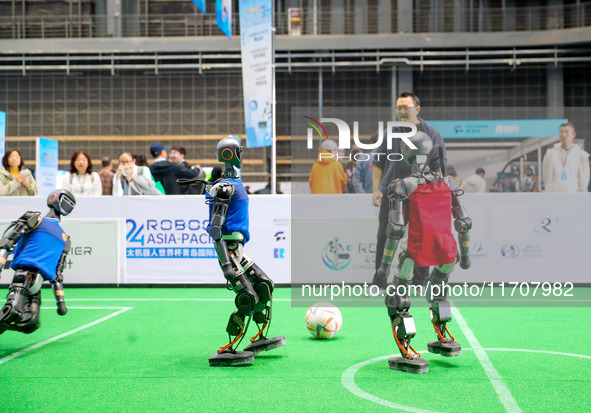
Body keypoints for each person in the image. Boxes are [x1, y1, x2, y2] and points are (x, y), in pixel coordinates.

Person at [375, 134, 471, 374]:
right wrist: (466, 256)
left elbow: (395, 230)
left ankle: (408, 351)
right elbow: (465, 223)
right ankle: (445, 339)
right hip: (448, 253)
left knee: (399, 298)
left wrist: (384, 268)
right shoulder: (449, 182)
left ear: (406, 154)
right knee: (438, 291)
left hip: (416, 251)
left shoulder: (404, 184)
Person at [202, 136, 285, 367]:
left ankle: (259, 337)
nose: (242, 154)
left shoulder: (233, 183)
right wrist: (226, 264)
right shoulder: (224, 187)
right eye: (239, 151)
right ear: (231, 153)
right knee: (247, 297)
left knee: (264, 284)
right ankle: (229, 347)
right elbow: (216, 229)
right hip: (228, 250)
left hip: (237, 250)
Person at [371, 92, 447, 289]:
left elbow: (439, 165)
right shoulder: (389, 134)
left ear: (417, 109)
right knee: (385, 235)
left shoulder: (431, 133)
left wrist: (441, 191)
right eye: (399, 107)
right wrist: (375, 190)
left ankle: (420, 281)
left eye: (406, 107)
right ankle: (379, 282)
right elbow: (378, 164)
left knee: (421, 237)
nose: (402, 111)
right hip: (393, 192)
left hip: (421, 195)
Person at [0, 189, 75, 335]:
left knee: (31, 322)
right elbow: (8, 242)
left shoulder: (65, 239)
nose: (68, 205)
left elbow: (57, 274)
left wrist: (61, 302)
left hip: (38, 283)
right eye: (66, 200)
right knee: (12, 311)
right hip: (24, 275)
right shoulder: (36, 219)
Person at [543, 122, 590, 192]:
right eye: (561, 132)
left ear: (574, 134)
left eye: (566, 132)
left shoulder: (581, 155)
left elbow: (584, 179)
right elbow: (546, 176)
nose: (564, 135)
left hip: (574, 195)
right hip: (554, 195)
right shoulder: (550, 154)